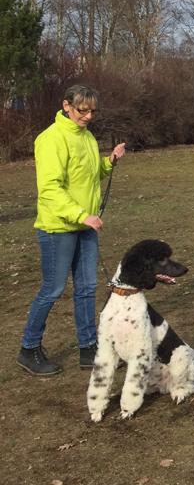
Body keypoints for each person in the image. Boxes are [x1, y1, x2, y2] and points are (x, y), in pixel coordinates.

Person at [18, 85, 127, 376]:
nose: (88, 116)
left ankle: (88, 348)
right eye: (82, 110)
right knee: (52, 289)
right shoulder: (51, 139)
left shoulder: (87, 137)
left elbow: (91, 175)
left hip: (85, 226)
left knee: (87, 288)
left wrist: (109, 162)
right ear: (66, 105)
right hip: (59, 228)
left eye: (92, 111)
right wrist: (82, 216)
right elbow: (50, 189)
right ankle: (29, 348)